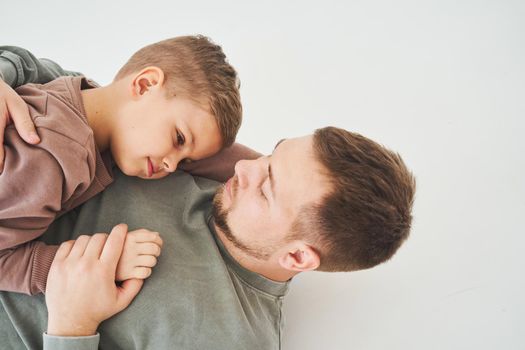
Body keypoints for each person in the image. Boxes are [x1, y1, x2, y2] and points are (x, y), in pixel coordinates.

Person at [0, 48, 416, 350]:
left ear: (297, 258)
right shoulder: (181, 160)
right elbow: (84, 99)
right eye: (269, 155)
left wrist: (72, 327)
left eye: (267, 185)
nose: (244, 169)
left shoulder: (233, 337)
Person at [0, 36, 244, 295]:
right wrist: (102, 265)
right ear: (144, 84)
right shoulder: (53, 160)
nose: (172, 166)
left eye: (185, 160)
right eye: (179, 138)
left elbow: (23, 62)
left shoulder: (78, 94)